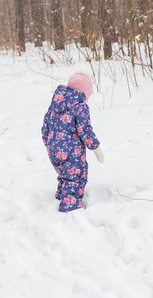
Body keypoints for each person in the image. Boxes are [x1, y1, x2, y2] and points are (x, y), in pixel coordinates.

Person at [41, 72, 104, 212]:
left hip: (53, 149)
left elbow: (45, 126)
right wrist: (96, 147)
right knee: (75, 179)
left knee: (64, 176)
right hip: (71, 151)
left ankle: (60, 197)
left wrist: (48, 143)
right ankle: (69, 211)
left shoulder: (55, 103)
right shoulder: (80, 106)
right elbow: (84, 130)